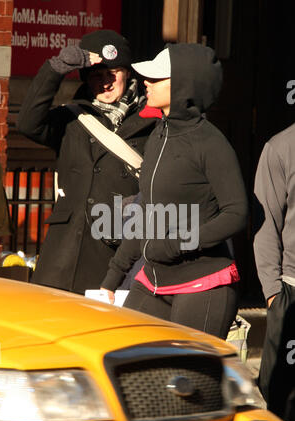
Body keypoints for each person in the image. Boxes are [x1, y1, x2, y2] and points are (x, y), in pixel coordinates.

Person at [100, 43, 248, 339]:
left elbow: (237, 213)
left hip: (204, 284)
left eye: (157, 78)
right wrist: (112, 278)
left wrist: (176, 245)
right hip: (152, 278)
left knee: (189, 381)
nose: (146, 82)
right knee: (126, 358)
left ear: (183, 85)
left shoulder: (211, 143)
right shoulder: (158, 135)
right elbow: (146, 212)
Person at [17, 30, 157, 294]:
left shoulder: (153, 123)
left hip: (116, 256)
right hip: (64, 257)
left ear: (127, 73)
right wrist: (55, 70)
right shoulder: (71, 119)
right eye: (96, 75)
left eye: (112, 74)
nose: (105, 83)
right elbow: (27, 123)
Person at [253, 124, 295, 421]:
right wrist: (273, 293)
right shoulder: (281, 146)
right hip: (291, 289)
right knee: (279, 391)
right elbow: (265, 224)